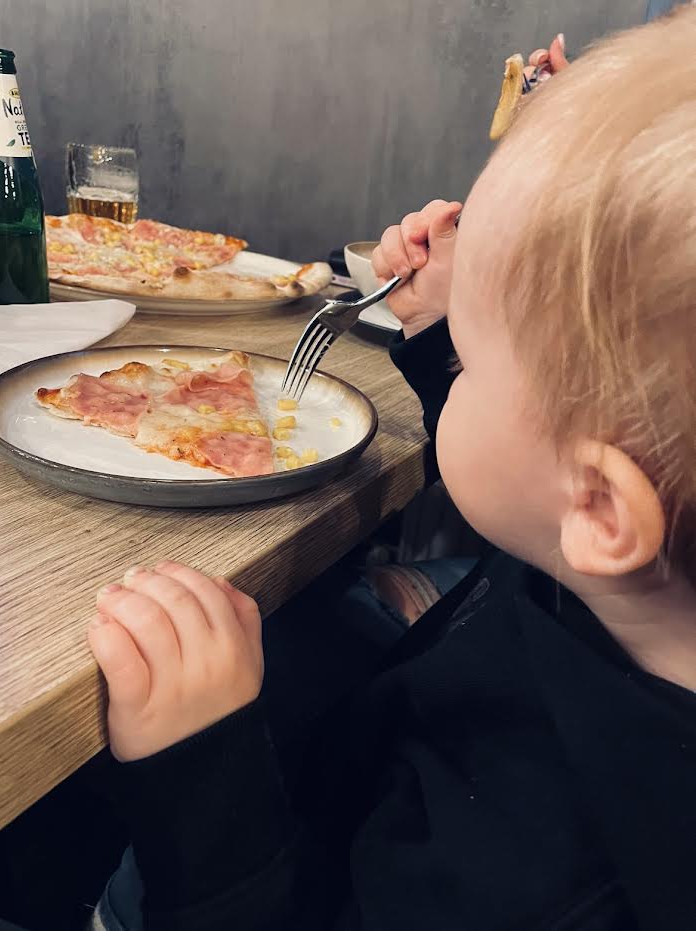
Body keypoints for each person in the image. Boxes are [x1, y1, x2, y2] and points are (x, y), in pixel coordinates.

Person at [87, 9, 695, 930]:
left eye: (472, 364)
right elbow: (532, 478)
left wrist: (203, 775)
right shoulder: (637, 589)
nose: (460, 367)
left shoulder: (532, 879)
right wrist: (451, 321)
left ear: (603, 509)